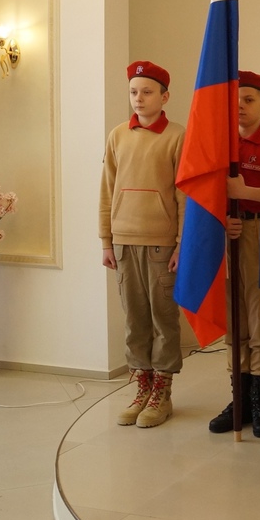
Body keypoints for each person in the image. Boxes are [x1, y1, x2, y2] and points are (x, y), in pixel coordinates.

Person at [99, 60, 186, 428]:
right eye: (134, 92)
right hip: (124, 242)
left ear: (164, 96)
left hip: (161, 245)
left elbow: (184, 195)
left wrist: (181, 243)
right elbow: (107, 189)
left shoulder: (177, 136)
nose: (139, 98)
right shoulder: (118, 135)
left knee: (163, 318)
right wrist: (106, 239)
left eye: (147, 92)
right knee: (134, 319)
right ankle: (142, 387)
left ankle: (162, 392)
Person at [209, 71, 260, 438]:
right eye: (235, 100)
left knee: (258, 320)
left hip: (259, 233)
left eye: (249, 100)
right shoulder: (219, 144)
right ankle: (239, 399)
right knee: (234, 320)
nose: (240, 107)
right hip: (225, 234)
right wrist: (223, 217)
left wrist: (245, 193)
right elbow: (203, 190)